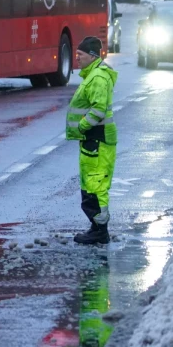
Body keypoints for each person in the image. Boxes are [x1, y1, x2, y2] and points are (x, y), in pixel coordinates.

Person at [67, 36, 118, 245]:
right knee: (91, 184)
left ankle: (100, 231)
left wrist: (82, 126)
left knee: (96, 185)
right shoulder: (93, 75)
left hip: (97, 138)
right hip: (94, 139)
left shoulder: (97, 77)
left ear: (92, 56)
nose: (76, 58)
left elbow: (98, 109)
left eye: (80, 55)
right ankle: (97, 228)